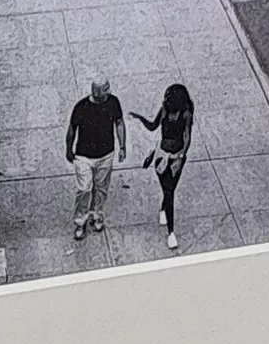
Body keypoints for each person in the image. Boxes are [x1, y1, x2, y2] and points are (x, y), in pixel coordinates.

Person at [133, 82, 196, 250]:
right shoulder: (164, 110)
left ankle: (163, 209)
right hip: (162, 156)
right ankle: (171, 232)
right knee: (169, 192)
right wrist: (140, 118)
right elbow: (153, 126)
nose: (166, 101)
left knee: (170, 190)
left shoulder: (186, 115)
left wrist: (181, 156)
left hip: (176, 159)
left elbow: (187, 138)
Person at [65, 76, 126, 242]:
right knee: (84, 189)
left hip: (106, 155)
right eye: (105, 89)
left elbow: (119, 123)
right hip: (83, 156)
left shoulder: (113, 102)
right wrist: (69, 149)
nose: (109, 91)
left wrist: (122, 146)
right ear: (96, 91)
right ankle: (81, 221)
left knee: (101, 189)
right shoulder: (81, 107)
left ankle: (97, 215)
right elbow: (72, 129)